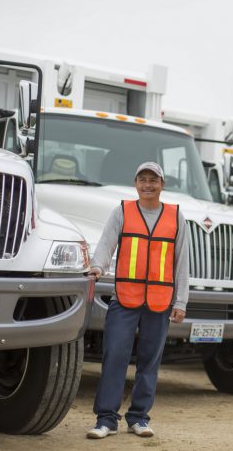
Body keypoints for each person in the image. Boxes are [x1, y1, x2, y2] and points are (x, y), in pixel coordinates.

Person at [85, 162, 189, 439]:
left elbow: (182, 263)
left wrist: (180, 302)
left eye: (153, 180)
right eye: (142, 179)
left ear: (162, 184)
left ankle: (139, 418)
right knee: (115, 356)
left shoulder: (176, 217)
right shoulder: (122, 211)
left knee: (149, 362)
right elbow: (106, 244)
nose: (148, 185)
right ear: (136, 184)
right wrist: (98, 266)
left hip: (160, 301)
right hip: (125, 298)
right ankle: (106, 419)